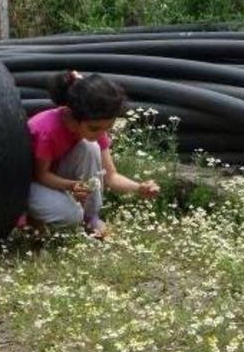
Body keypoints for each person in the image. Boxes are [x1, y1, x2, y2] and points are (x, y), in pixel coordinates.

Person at [26, 71, 160, 237]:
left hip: (54, 176)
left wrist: (139, 188)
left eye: (107, 127)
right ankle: (31, 219)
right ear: (74, 117)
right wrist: (72, 185)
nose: (101, 134)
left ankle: (90, 217)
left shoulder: (94, 128)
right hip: (25, 185)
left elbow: (110, 176)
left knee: (90, 147)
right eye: (94, 128)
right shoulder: (47, 130)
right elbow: (41, 175)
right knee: (71, 216)